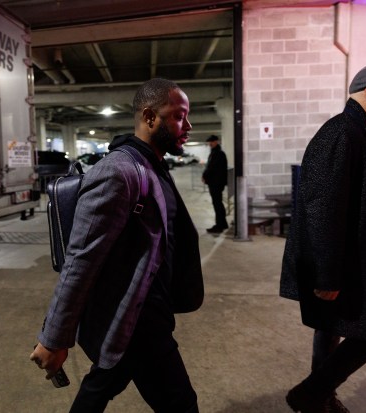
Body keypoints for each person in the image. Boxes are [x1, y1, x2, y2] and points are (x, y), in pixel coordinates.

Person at [30, 78, 204, 412]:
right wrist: (55, 338)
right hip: (138, 320)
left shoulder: (153, 166)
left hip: (143, 313)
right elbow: (80, 260)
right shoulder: (118, 172)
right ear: (150, 117)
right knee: (181, 403)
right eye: (180, 116)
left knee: (103, 382)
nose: (189, 125)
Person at [279, 63, 366, 413]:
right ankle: (310, 394)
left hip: (359, 262)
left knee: (330, 330)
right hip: (343, 266)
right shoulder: (341, 134)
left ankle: (319, 398)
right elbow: (321, 210)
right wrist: (326, 275)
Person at [201, 134, 228, 233]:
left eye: (211, 142)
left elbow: (211, 168)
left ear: (216, 141)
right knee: (218, 204)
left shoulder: (218, 154)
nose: (210, 144)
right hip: (215, 182)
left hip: (216, 183)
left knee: (217, 204)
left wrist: (205, 175)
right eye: (209, 142)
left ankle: (219, 226)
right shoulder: (215, 153)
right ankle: (223, 224)